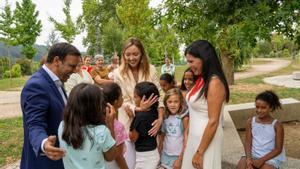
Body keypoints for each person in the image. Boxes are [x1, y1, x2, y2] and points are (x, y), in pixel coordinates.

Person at [20, 42, 81, 169]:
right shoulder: (36, 85)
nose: (75, 71)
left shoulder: (56, 81)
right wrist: (44, 143)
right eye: (71, 66)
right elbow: (35, 124)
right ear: (57, 60)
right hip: (45, 163)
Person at [113, 37, 164, 169]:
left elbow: (160, 94)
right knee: (130, 161)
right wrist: (138, 109)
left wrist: (160, 118)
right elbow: (122, 99)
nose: (132, 58)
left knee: (148, 162)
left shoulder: (151, 69)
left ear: (142, 54)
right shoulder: (117, 73)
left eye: (135, 54)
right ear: (123, 55)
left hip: (149, 123)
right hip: (129, 122)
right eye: (128, 54)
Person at [181, 40, 230, 169]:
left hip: (206, 141)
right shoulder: (202, 79)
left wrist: (200, 152)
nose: (189, 65)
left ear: (204, 58)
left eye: (191, 61)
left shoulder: (214, 83)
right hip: (195, 137)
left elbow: (213, 121)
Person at [58, 83, 116, 169]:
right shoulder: (101, 132)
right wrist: (110, 125)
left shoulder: (62, 126)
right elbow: (111, 157)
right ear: (93, 108)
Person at [237, 91, 286, 169]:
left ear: (271, 108)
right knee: (241, 165)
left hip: (270, 157)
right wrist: (249, 159)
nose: (259, 110)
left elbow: (278, 149)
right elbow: (247, 142)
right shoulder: (250, 122)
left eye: (263, 107)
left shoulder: (277, 125)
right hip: (253, 154)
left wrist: (261, 160)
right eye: (257, 107)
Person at [129, 82, 160, 169]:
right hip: (152, 153)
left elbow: (132, 138)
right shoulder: (155, 112)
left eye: (135, 96)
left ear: (144, 99)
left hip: (145, 158)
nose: (133, 99)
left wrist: (133, 118)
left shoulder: (141, 116)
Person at [158, 88, 188, 169]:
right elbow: (162, 137)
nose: (173, 105)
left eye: (176, 101)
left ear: (180, 102)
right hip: (165, 155)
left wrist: (180, 159)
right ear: (166, 103)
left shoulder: (183, 118)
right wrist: (159, 152)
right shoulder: (165, 117)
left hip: (178, 156)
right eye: (170, 102)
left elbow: (186, 140)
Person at [102, 82, 129, 169]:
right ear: (116, 102)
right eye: (121, 96)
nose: (123, 98)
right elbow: (118, 156)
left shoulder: (100, 119)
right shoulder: (116, 126)